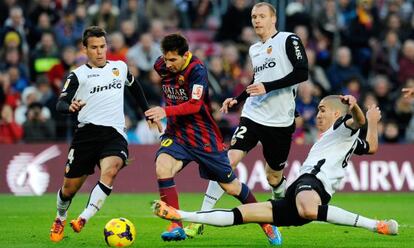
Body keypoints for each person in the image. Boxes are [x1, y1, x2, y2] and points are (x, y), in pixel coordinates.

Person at [152, 95, 399, 244]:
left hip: (311, 184)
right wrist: (374, 123)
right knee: (242, 214)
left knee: (308, 208)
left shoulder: (343, 128)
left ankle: (375, 225)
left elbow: (359, 121)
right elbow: (371, 147)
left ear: (337, 112)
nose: (318, 115)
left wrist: (357, 109)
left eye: (322, 110)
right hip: (299, 189)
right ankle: (179, 215)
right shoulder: (345, 139)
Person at [144, 33, 281, 244]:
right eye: (165, 58)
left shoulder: (197, 70)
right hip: (176, 134)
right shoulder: (160, 65)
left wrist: (164, 111)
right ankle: (175, 225)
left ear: (186, 55)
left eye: (173, 60)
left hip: (203, 136)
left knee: (231, 187)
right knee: (162, 167)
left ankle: (266, 223)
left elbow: (195, 105)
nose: (167, 64)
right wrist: (154, 113)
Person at [186, 2, 308, 237]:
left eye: (262, 16)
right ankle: (200, 218)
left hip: (280, 121)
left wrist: (268, 87)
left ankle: (276, 213)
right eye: (254, 17)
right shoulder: (255, 49)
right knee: (227, 160)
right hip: (253, 114)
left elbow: (302, 72)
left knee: (273, 176)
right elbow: (258, 79)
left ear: (273, 19)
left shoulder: (288, 40)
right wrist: (238, 98)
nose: (257, 20)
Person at [49, 26, 161, 242]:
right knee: (68, 189)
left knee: (111, 170)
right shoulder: (77, 75)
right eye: (94, 48)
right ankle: (60, 217)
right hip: (87, 135)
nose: (100, 52)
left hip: (114, 133)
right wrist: (70, 107)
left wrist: (146, 111)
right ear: (85, 49)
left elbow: (135, 86)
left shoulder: (119, 67)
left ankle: (83, 217)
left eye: (102, 47)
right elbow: (60, 103)